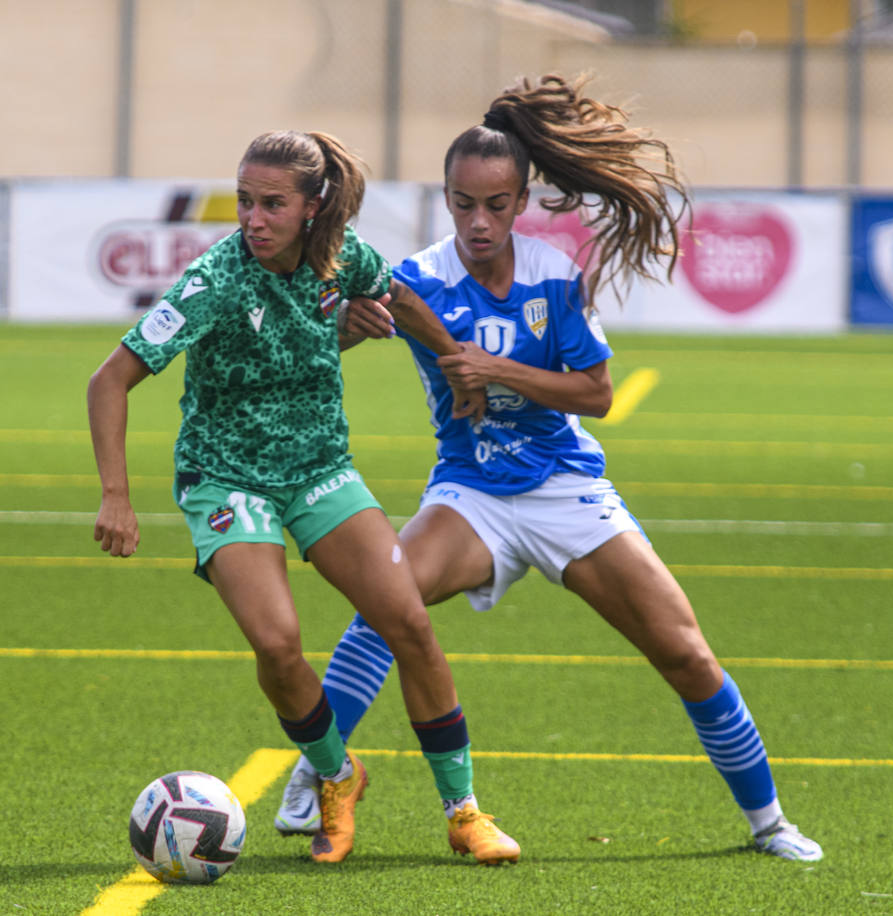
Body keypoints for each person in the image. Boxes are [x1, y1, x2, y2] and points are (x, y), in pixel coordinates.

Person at [271, 76, 823, 862]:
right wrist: (348, 327)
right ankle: (316, 773)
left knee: (685, 651)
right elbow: (321, 343)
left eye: (497, 205)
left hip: (567, 489)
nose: (479, 221)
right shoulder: (417, 278)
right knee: (387, 602)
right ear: (446, 198)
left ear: (522, 201)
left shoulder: (554, 277)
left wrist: (495, 369)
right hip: (469, 493)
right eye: (464, 204)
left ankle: (769, 823)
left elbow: (597, 393)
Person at [87, 129, 519, 865]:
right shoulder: (215, 280)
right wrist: (116, 496)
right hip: (228, 478)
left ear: (312, 207)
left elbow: (400, 299)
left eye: (272, 205)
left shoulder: (343, 257)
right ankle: (336, 775)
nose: (253, 219)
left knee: (408, 622)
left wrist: (453, 362)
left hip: (321, 469)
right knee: (278, 644)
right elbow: (110, 380)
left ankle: (464, 812)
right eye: (245, 202)